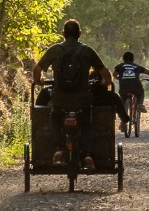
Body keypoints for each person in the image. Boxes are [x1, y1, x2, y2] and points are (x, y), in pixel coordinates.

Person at [32, 19, 107, 170]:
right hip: (82, 100)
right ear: (79, 33)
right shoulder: (87, 50)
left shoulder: (55, 50)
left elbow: (36, 70)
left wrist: (39, 82)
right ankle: (87, 154)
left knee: (55, 118)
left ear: (63, 34)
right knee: (86, 123)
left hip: (60, 100)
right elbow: (106, 75)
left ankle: (59, 148)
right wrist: (103, 83)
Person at [112, 51, 149, 130]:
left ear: (123, 59)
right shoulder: (137, 66)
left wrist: (119, 78)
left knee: (122, 101)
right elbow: (148, 72)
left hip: (124, 87)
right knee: (140, 93)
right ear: (133, 59)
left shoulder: (120, 66)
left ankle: (123, 122)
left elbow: (114, 74)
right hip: (135, 86)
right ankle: (140, 104)